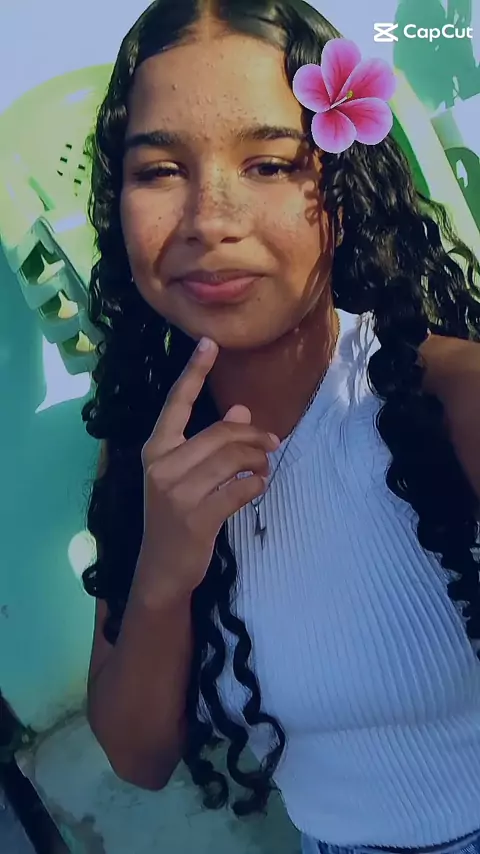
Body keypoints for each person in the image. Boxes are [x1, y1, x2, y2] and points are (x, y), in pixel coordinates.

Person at [81, 1, 480, 853]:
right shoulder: (149, 448)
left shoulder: (453, 400)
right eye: (160, 170)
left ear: (345, 188)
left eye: (267, 163)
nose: (209, 219)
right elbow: (138, 758)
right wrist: (162, 578)